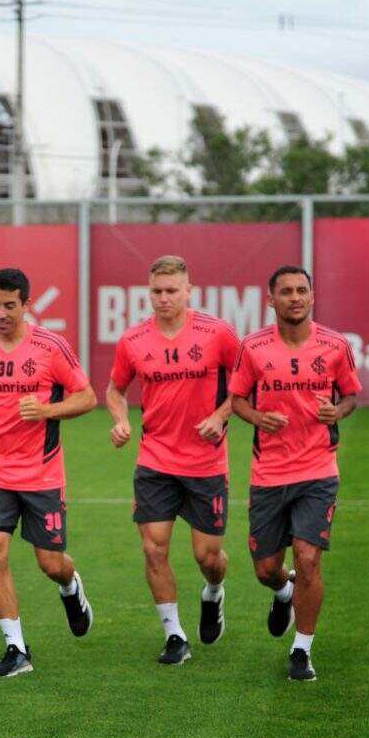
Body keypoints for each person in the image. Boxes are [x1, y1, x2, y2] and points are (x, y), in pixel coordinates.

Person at [0, 268, 97, 677]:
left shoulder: (51, 347)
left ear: (27, 305)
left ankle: (70, 585)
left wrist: (47, 410)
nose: (0, 313)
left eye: (9, 305)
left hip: (42, 474)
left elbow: (87, 397)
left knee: (50, 563)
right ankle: (16, 648)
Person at [106, 256, 240, 665]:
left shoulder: (218, 333)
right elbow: (115, 390)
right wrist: (120, 420)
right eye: (156, 292)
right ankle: (174, 635)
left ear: (188, 291)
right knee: (154, 548)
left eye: (171, 291)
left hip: (206, 463)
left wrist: (219, 416)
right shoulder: (133, 340)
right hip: (155, 459)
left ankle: (213, 592)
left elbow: (246, 384)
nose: (163, 299)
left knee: (208, 557)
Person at [229, 265, 361, 681]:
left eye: (301, 290)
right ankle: (282, 593)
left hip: (318, 470)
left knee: (307, 559)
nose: (294, 297)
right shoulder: (252, 348)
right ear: (271, 300)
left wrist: (336, 410)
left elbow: (352, 395)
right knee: (267, 569)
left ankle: (302, 649)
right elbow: (235, 400)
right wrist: (257, 417)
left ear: (312, 296)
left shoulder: (335, 345)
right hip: (269, 472)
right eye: (285, 291)